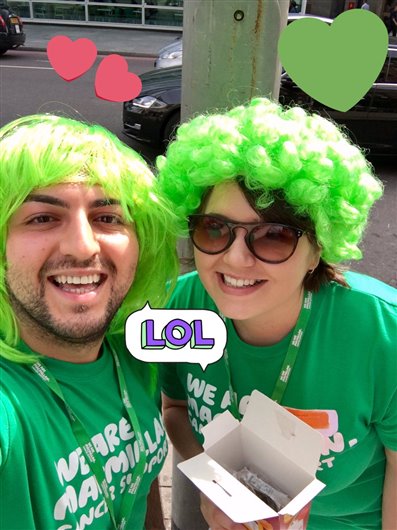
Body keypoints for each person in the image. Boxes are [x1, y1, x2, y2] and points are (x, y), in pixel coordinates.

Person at [157, 98, 397, 530]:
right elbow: (174, 407)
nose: (234, 259)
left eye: (274, 236)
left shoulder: (381, 333)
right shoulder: (185, 305)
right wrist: (218, 485)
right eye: (215, 228)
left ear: (317, 248)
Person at [0, 114, 179, 530]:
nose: (83, 248)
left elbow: (141, 483)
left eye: (108, 218)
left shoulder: (130, 352)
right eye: (42, 218)